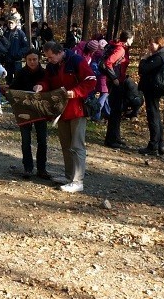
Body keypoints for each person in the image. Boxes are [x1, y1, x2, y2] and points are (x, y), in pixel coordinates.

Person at [33, 41, 97, 193]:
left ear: (60, 52)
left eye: (50, 57)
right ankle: (69, 176)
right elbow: (48, 81)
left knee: (77, 145)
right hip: (60, 110)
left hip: (77, 109)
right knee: (66, 145)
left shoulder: (76, 60)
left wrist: (74, 92)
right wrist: (41, 86)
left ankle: (77, 180)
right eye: (47, 58)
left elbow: (91, 80)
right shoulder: (52, 66)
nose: (49, 60)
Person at [10, 49, 50, 180]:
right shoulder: (20, 73)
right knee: (26, 141)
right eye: (29, 60)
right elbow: (14, 90)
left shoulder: (44, 73)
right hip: (24, 110)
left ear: (39, 60)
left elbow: (49, 89)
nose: (32, 62)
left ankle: (42, 168)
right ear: (25, 60)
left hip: (40, 110)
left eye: (35, 59)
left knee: (42, 140)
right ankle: (28, 168)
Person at [137, 36, 164, 155]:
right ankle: (160, 144)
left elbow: (142, 69)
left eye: (153, 44)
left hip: (153, 89)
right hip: (153, 88)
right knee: (155, 115)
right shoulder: (160, 56)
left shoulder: (159, 58)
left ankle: (153, 145)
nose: (150, 46)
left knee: (153, 116)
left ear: (159, 45)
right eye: (150, 44)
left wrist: (143, 59)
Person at [103, 30, 134, 149]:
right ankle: (111, 140)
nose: (133, 41)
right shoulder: (120, 49)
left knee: (117, 110)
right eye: (132, 39)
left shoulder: (119, 47)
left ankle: (116, 137)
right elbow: (108, 63)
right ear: (127, 39)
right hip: (115, 83)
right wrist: (114, 78)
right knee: (115, 111)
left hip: (117, 82)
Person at [3, 17, 29, 84]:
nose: (10, 25)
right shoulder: (6, 33)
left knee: (18, 77)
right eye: (9, 23)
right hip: (8, 59)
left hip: (17, 60)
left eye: (11, 23)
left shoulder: (20, 33)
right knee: (8, 78)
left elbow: (25, 46)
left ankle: (18, 91)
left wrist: (19, 54)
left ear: (15, 23)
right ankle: (9, 91)